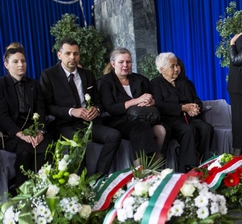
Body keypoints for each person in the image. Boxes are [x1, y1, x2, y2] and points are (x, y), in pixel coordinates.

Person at [40, 38, 121, 177]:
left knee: (114, 135)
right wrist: (72, 111)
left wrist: (96, 109)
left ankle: (98, 177)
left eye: (76, 53)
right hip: (64, 125)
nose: (72, 57)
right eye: (68, 53)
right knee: (77, 141)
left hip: (89, 123)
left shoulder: (87, 74)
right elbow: (47, 107)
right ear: (59, 55)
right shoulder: (49, 75)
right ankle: (80, 182)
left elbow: (99, 102)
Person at [98, 48, 168, 163]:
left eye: (128, 62)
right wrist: (136, 101)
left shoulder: (140, 79)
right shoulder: (105, 81)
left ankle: (156, 166)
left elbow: (153, 98)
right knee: (140, 127)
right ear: (113, 64)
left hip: (144, 117)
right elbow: (110, 108)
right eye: (121, 62)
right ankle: (140, 167)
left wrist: (151, 102)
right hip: (117, 119)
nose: (125, 65)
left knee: (162, 129)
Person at [0, 43, 53, 188]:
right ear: (6, 65)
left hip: (34, 131)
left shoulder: (34, 84)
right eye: (15, 61)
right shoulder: (1, 85)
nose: (20, 65)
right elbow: (3, 116)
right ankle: (22, 191)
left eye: (23, 61)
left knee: (46, 148)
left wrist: (40, 132)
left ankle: (43, 190)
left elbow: (41, 111)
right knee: (25, 151)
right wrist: (21, 134)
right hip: (13, 134)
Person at [150, 53, 214, 172]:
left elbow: (196, 100)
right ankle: (188, 167)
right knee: (187, 130)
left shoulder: (184, 82)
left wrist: (195, 108)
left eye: (177, 65)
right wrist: (182, 108)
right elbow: (159, 105)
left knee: (206, 128)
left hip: (190, 117)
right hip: (171, 119)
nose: (176, 69)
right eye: (172, 66)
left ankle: (205, 162)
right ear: (162, 69)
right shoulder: (155, 83)